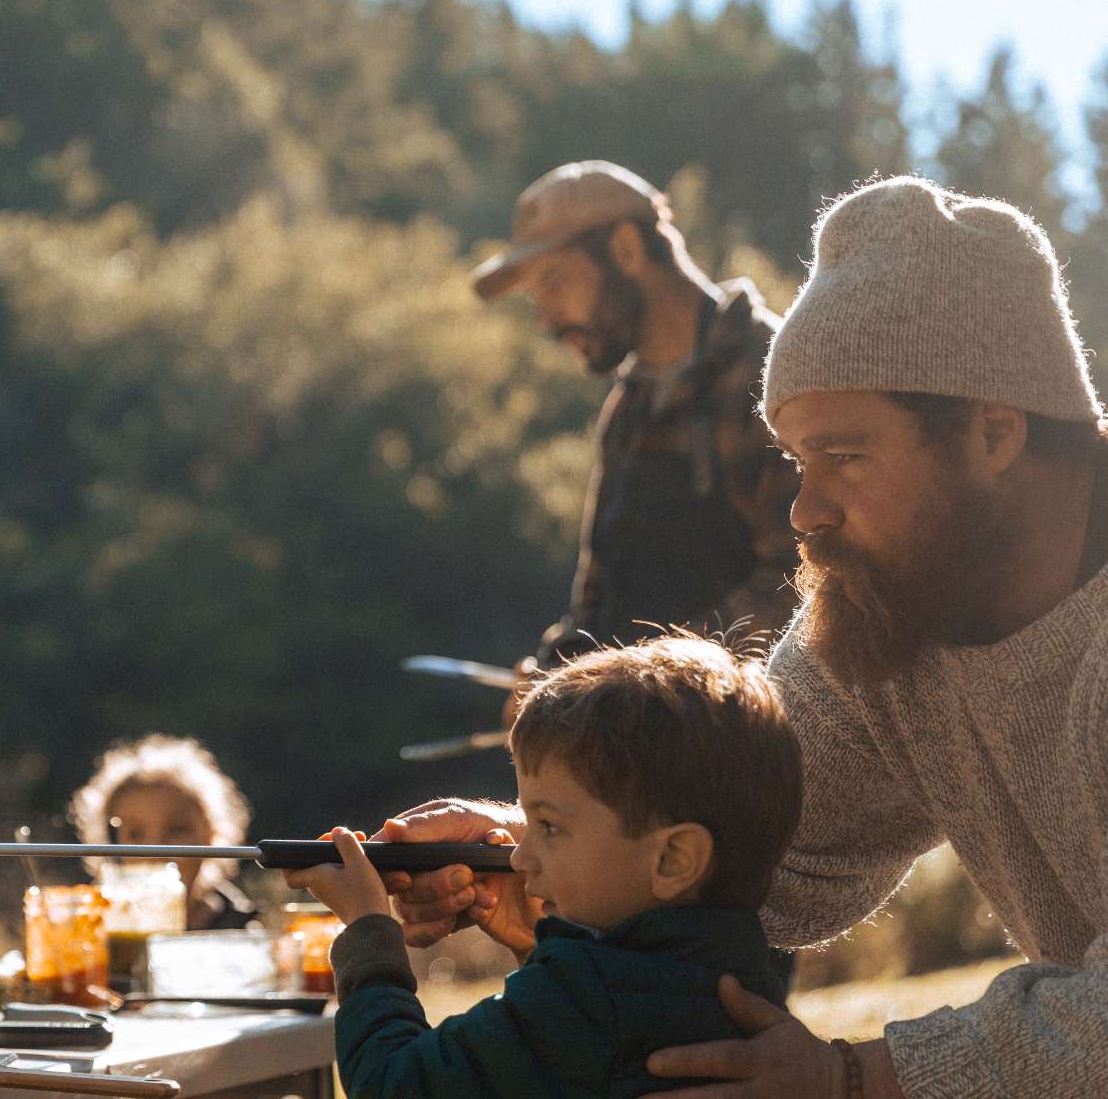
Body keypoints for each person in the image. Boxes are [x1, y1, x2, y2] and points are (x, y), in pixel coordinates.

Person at [383, 176, 1108, 1097]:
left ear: (993, 433)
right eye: (796, 462)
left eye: (843, 456)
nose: (805, 511)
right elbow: (756, 848)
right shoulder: (895, 610)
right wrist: (529, 852)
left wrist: (858, 1079)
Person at [287, 637, 801, 1097]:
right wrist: (537, 951)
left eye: (549, 827)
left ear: (674, 859)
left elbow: (393, 1083)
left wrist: (367, 931)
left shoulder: (586, 996)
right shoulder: (738, 968)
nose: (519, 855)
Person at [473, 162, 800, 688]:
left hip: (746, 753)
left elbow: (801, 588)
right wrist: (554, 679)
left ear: (626, 249)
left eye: (554, 284)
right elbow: (595, 602)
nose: (547, 321)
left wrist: (640, 680)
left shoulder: (770, 375)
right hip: (638, 747)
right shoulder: (626, 413)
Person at [69, 734, 258, 929]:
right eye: (135, 834)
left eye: (177, 830)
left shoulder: (244, 932)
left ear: (211, 834)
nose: (156, 849)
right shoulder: (93, 931)